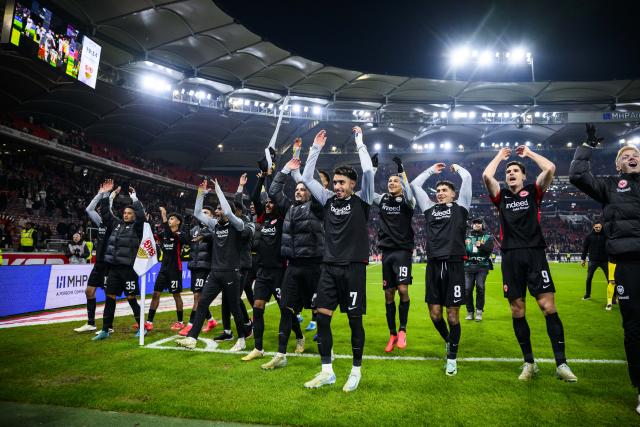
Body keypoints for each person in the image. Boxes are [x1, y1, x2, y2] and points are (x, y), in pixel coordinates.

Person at [483, 145, 577, 382]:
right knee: (517, 309)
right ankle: (529, 363)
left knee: (548, 307)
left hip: (535, 255)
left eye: (515, 171)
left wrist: (530, 154)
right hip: (511, 257)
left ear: (524, 176)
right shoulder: (501, 197)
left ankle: (561, 364)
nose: (511, 173)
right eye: (508, 172)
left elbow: (551, 168)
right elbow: (486, 176)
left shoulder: (534, 192)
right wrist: (499, 157)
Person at [569, 124, 640, 413]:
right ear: (617, 164)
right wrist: (587, 147)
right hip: (629, 263)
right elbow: (577, 175)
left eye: (635, 153)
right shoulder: (610, 187)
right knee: (634, 328)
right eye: (625, 155)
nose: (632, 156)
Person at [299, 126, 374, 392]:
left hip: (353, 268)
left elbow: (369, 172)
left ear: (353, 185)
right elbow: (307, 177)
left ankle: (356, 370)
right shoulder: (328, 199)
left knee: (355, 321)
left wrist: (360, 142)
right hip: (329, 268)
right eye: (336, 182)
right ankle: (327, 371)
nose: (338, 186)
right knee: (322, 318)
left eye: (342, 182)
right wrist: (315, 148)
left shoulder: (363, 201)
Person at [260, 153, 324, 369]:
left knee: (320, 310)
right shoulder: (288, 208)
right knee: (286, 309)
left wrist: (306, 161)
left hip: (314, 266)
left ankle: (327, 350)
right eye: (296, 190)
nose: (298, 192)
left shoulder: (317, 208)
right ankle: (280, 354)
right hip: (293, 267)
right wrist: (286, 169)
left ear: (309, 192)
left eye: (302, 189)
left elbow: (312, 185)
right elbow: (274, 191)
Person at [176, 179, 253, 352]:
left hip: (232, 273)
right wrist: (200, 194)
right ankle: (192, 338)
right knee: (203, 303)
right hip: (215, 273)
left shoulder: (238, 225)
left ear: (231, 212)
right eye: (217, 209)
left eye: (220, 209)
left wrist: (218, 189)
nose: (217, 212)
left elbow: (228, 211)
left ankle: (241, 339)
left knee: (234, 308)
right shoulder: (215, 226)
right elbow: (197, 212)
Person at [411, 162, 471, 376]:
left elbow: (468, 179)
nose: (440, 193)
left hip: (454, 265)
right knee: (435, 315)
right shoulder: (429, 209)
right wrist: (429, 171)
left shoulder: (461, 206)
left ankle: (452, 359)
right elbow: (414, 185)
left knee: (453, 316)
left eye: (445, 190)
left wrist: (458, 168)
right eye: (438, 191)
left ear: (454, 194)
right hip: (434, 265)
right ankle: (449, 341)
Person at [372, 156, 415, 352]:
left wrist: (401, 170)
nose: (392, 183)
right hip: (387, 252)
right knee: (389, 294)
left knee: (403, 290)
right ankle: (392, 334)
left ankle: (403, 329)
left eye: (395, 181)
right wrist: (372, 169)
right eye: (390, 181)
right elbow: (366, 191)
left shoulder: (408, 201)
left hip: (403, 251)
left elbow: (410, 190)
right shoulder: (382, 200)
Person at [93, 187, 146, 341]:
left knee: (131, 298)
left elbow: (142, 216)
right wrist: (105, 194)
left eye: (129, 213)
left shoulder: (137, 227)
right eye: (125, 213)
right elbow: (105, 212)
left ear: (134, 215)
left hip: (128, 270)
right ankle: (105, 330)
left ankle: (142, 328)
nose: (126, 215)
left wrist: (135, 199)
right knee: (110, 297)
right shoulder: (116, 224)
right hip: (113, 269)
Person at [74, 180, 114, 333]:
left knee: (109, 295)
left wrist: (107, 194)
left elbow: (106, 206)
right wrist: (100, 193)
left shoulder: (113, 224)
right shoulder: (101, 223)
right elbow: (89, 209)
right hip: (98, 264)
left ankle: (109, 327)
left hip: (109, 264)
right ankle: (91, 323)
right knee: (89, 291)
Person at [178, 205, 218, 336]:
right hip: (194, 265)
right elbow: (185, 241)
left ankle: (191, 325)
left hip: (206, 266)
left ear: (212, 216)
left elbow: (213, 238)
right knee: (198, 296)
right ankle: (211, 320)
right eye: (202, 213)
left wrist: (205, 233)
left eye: (206, 213)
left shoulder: (214, 228)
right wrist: (186, 224)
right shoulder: (195, 229)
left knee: (197, 296)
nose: (203, 215)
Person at [146, 207, 187, 332]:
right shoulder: (163, 234)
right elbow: (151, 235)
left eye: (172, 218)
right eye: (168, 218)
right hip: (163, 269)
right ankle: (149, 322)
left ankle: (180, 322)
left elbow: (179, 237)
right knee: (155, 294)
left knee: (176, 295)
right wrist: (148, 222)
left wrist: (163, 216)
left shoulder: (180, 234)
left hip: (175, 269)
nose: (169, 220)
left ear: (178, 222)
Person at [464, 218, 494, 321]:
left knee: (480, 287)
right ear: (472, 225)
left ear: (482, 225)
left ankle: (479, 312)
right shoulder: (466, 237)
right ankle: (470, 312)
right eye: (475, 223)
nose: (477, 225)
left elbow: (489, 250)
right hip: (468, 266)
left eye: (479, 223)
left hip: (482, 266)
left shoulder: (488, 237)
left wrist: (481, 246)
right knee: (467, 289)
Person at [580, 221, 608, 301]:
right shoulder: (589, 236)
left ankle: (613, 297)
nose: (598, 229)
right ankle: (587, 295)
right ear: (593, 227)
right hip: (593, 260)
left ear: (601, 227)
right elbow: (585, 248)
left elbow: (610, 247)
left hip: (604, 261)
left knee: (610, 279)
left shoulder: (606, 236)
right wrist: (583, 259)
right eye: (596, 227)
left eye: (599, 227)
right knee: (589, 278)